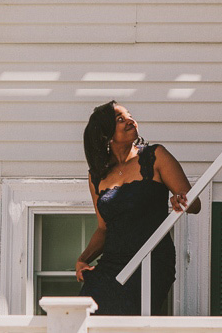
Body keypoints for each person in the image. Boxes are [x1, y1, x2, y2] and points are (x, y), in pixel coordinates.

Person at [76, 100, 201, 315]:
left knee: (128, 318)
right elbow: (104, 229)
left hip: (151, 260)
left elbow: (195, 204)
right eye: (120, 119)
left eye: (129, 115)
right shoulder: (97, 175)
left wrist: (180, 199)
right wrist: (82, 259)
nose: (130, 120)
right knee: (85, 314)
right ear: (106, 133)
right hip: (111, 264)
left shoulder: (155, 157)